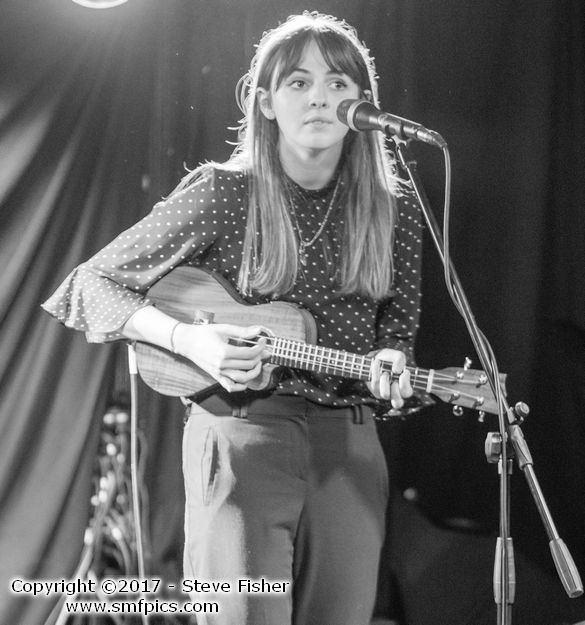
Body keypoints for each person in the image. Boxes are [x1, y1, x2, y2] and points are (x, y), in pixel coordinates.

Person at [43, 11, 424, 625]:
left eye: (338, 83)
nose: (320, 97)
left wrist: (393, 362)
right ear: (266, 102)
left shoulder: (393, 209)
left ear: (362, 103)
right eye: (299, 82)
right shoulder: (225, 192)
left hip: (350, 444)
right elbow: (91, 284)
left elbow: (397, 331)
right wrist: (190, 341)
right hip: (242, 432)